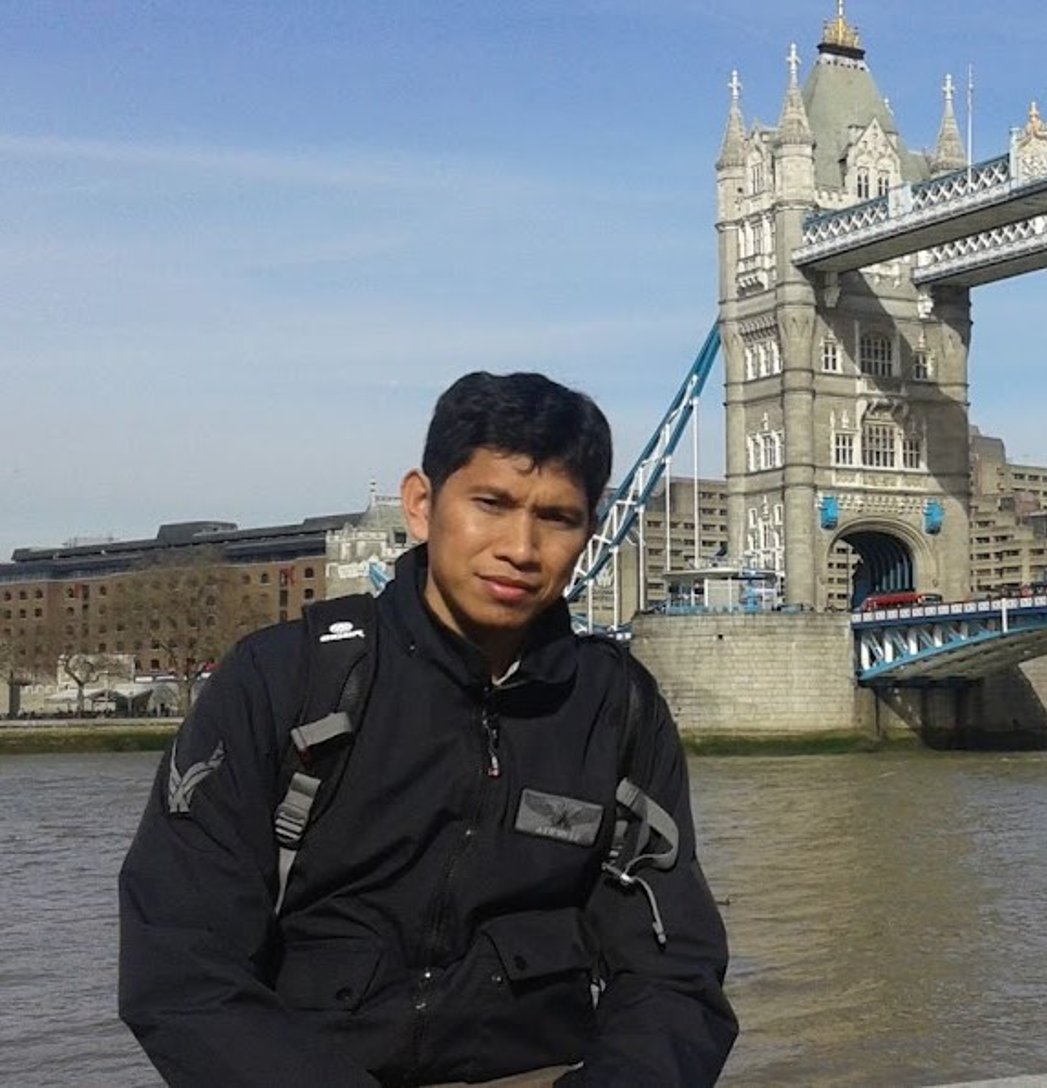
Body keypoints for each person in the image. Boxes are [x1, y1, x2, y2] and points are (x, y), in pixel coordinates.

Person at [119, 372, 736, 1086]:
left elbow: (674, 974)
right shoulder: (284, 682)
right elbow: (181, 969)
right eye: (491, 504)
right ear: (422, 504)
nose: (521, 547)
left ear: (589, 533)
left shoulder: (616, 707)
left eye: (558, 518)